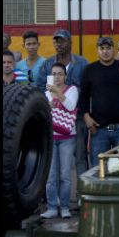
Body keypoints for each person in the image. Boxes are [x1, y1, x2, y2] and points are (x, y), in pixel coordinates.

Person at [78, 37, 119, 167]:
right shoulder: (89, 70)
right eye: (102, 48)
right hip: (99, 131)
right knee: (98, 171)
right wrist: (87, 118)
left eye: (108, 48)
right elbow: (83, 98)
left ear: (114, 50)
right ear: (97, 50)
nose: (105, 51)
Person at [34, 29, 90, 176]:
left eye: (62, 41)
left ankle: (81, 195)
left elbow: (89, 91)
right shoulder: (47, 64)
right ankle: (56, 198)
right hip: (54, 118)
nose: (58, 44)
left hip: (77, 118)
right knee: (54, 160)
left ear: (70, 42)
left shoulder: (82, 63)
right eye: (56, 41)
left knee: (80, 157)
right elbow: (39, 88)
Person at [40, 62, 78, 219]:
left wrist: (57, 92)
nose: (57, 77)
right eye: (54, 74)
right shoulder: (46, 93)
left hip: (67, 137)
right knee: (51, 175)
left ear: (65, 76)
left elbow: (70, 106)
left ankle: (64, 207)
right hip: (50, 136)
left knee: (65, 175)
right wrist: (47, 105)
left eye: (60, 74)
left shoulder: (72, 89)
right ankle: (51, 207)